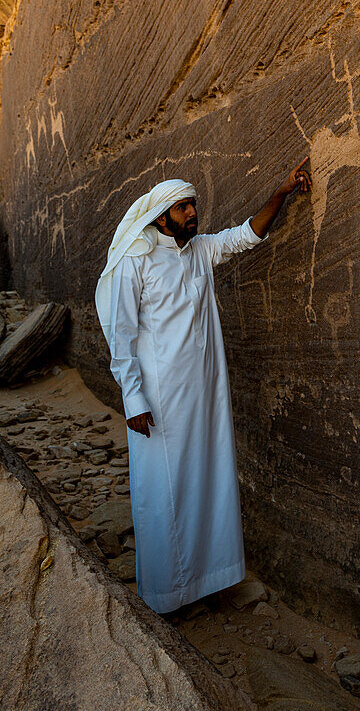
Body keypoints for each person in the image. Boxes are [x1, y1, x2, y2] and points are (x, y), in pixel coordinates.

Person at [94, 158, 311, 613]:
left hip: (205, 394)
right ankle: (164, 596)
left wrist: (281, 193)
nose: (193, 213)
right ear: (161, 216)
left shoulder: (197, 250)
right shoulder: (138, 261)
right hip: (158, 400)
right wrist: (132, 398)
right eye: (183, 207)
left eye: (193, 205)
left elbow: (245, 236)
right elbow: (121, 336)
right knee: (164, 491)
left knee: (205, 481)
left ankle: (203, 582)